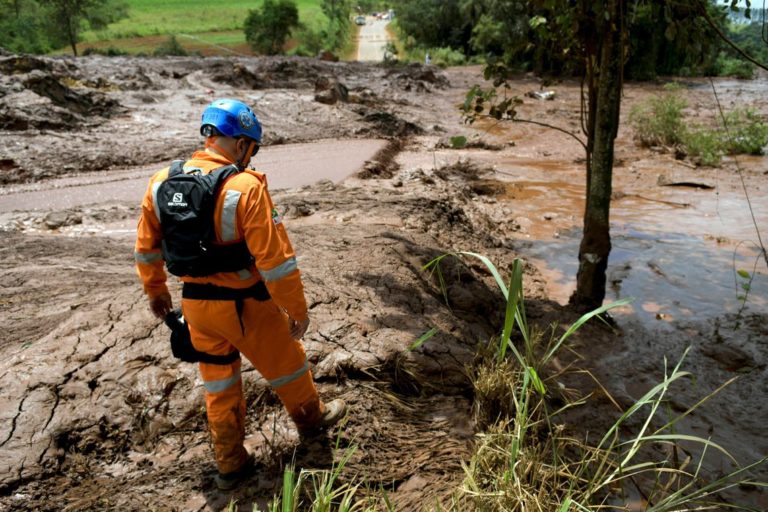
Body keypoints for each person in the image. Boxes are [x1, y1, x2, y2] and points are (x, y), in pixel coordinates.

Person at [134, 98, 346, 491]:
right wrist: (296, 309)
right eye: (252, 147)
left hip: (195, 306)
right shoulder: (245, 186)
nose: (251, 156)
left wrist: (156, 292)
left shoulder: (161, 181)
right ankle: (312, 420)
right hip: (247, 304)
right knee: (288, 365)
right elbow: (276, 262)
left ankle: (230, 463)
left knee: (218, 384)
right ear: (242, 142)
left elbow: (147, 247)